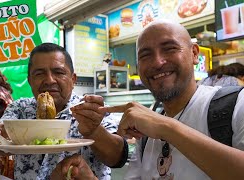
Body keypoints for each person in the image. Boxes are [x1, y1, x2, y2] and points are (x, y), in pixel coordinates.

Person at [51, 20, 244, 179]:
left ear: (194, 53)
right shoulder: (145, 141)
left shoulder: (236, 104)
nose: (158, 62)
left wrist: (166, 127)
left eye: (169, 48)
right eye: (145, 55)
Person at [0, 43, 127, 179]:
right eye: (39, 73)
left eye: (59, 72)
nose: (50, 80)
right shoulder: (19, 108)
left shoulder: (90, 109)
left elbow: (116, 158)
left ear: (73, 79)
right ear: (30, 80)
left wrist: (94, 130)